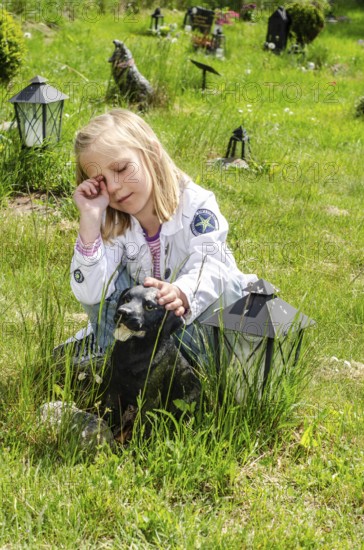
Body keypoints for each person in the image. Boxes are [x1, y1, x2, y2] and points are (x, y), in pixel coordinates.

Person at [68, 108, 257, 363]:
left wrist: (182, 292)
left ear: (152, 153)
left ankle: (192, 372)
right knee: (102, 279)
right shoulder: (111, 220)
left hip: (197, 329)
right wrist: (90, 220)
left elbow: (211, 264)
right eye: (101, 181)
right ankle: (118, 361)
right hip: (146, 330)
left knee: (225, 279)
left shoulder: (196, 205)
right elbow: (90, 294)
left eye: (122, 168)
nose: (113, 187)